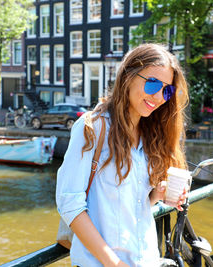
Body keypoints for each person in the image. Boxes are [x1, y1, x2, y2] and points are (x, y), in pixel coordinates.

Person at [56, 43, 189, 266]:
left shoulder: (151, 135)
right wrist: (114, 263)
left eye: (167, 90)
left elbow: (136, 204)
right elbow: (70, 204)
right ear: (128, 76)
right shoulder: (93, 128)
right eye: (152, 83)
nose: (158, 97)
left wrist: (157, 194)